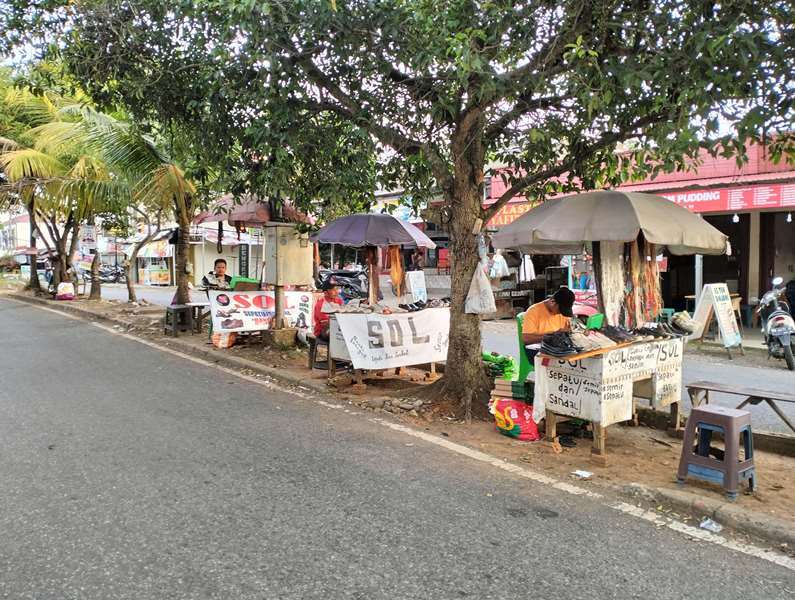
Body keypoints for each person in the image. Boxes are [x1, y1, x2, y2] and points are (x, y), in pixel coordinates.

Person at [522, 287, 575, 355]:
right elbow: (526, 338)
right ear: (553, 301)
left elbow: (569, 330)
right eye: (560, 310)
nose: (560, 313)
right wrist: (550, 337)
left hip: (557, 347)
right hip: (536, 349)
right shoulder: (533, 311)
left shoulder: (562, 314)